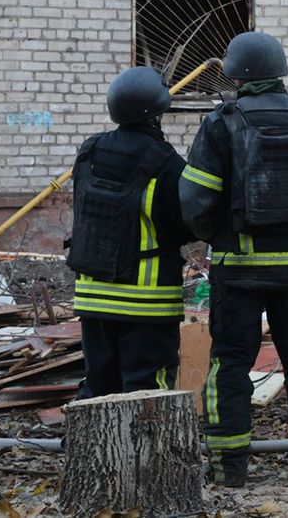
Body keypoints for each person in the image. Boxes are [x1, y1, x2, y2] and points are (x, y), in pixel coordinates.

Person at [179, 32, 288, 486]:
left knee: (230, 365)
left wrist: (214, 234)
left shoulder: (221, 122)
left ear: (235, 73)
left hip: (237, 272)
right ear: (280, 71)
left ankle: (229, 469)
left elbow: (195, 203)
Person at [68, 67, 192, 398]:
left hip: (93, 296)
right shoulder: (166, 163)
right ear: (156, 112)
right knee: (146, 389)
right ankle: (149, 452)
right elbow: (186, 224)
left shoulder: (89, 152)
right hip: (147, 302)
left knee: (98, 384)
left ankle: (84, 449)